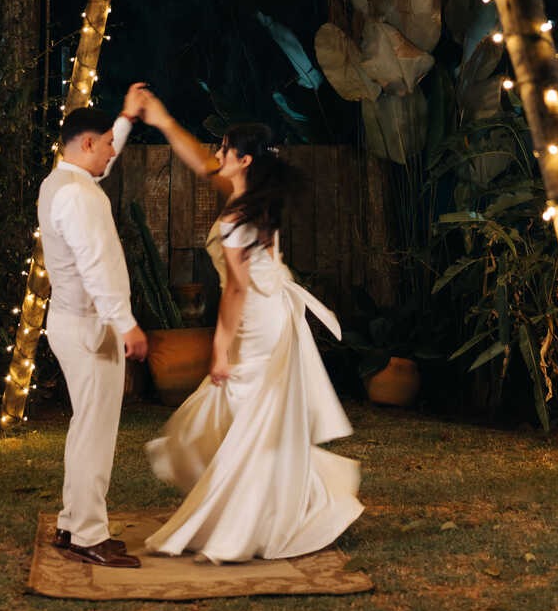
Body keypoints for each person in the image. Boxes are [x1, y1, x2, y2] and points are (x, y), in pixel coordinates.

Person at [139, 96, 363, 563]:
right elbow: (201, 162)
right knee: (250, 416)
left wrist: (219, 347)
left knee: (247, 414)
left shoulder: (240, 214)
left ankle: (257, 517)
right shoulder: (249, 200)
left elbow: (236, 290)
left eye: (224, 149)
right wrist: (161, 118)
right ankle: (275, 502)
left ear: (243, 160)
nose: (216, 155)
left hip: (256, 320)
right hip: (268, 314)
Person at [37, 87, 150, 568]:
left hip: (69, 323)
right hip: (89, 328)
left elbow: (103, 157)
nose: (111, 153)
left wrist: (123, 120)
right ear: (86, 145)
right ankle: (87, 534)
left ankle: (71, 524)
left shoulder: (60, 184)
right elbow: (96, 267)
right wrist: (127, 325)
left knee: (85, 429)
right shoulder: (81, 199)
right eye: (106, 144)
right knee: (95, 433)